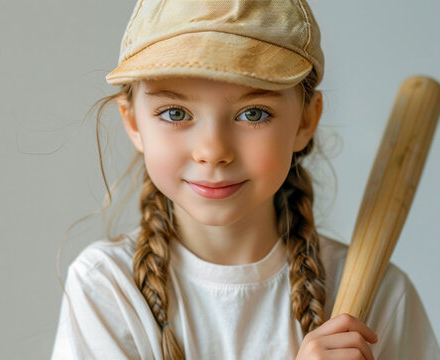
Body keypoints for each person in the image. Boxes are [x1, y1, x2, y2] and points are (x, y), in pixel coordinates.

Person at [49, 0, 440, 359]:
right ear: (133, 122)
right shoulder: (108, 287)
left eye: (253, 113)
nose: (213, 149)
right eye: (174, 113)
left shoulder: (383, 299)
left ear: (306, 120)